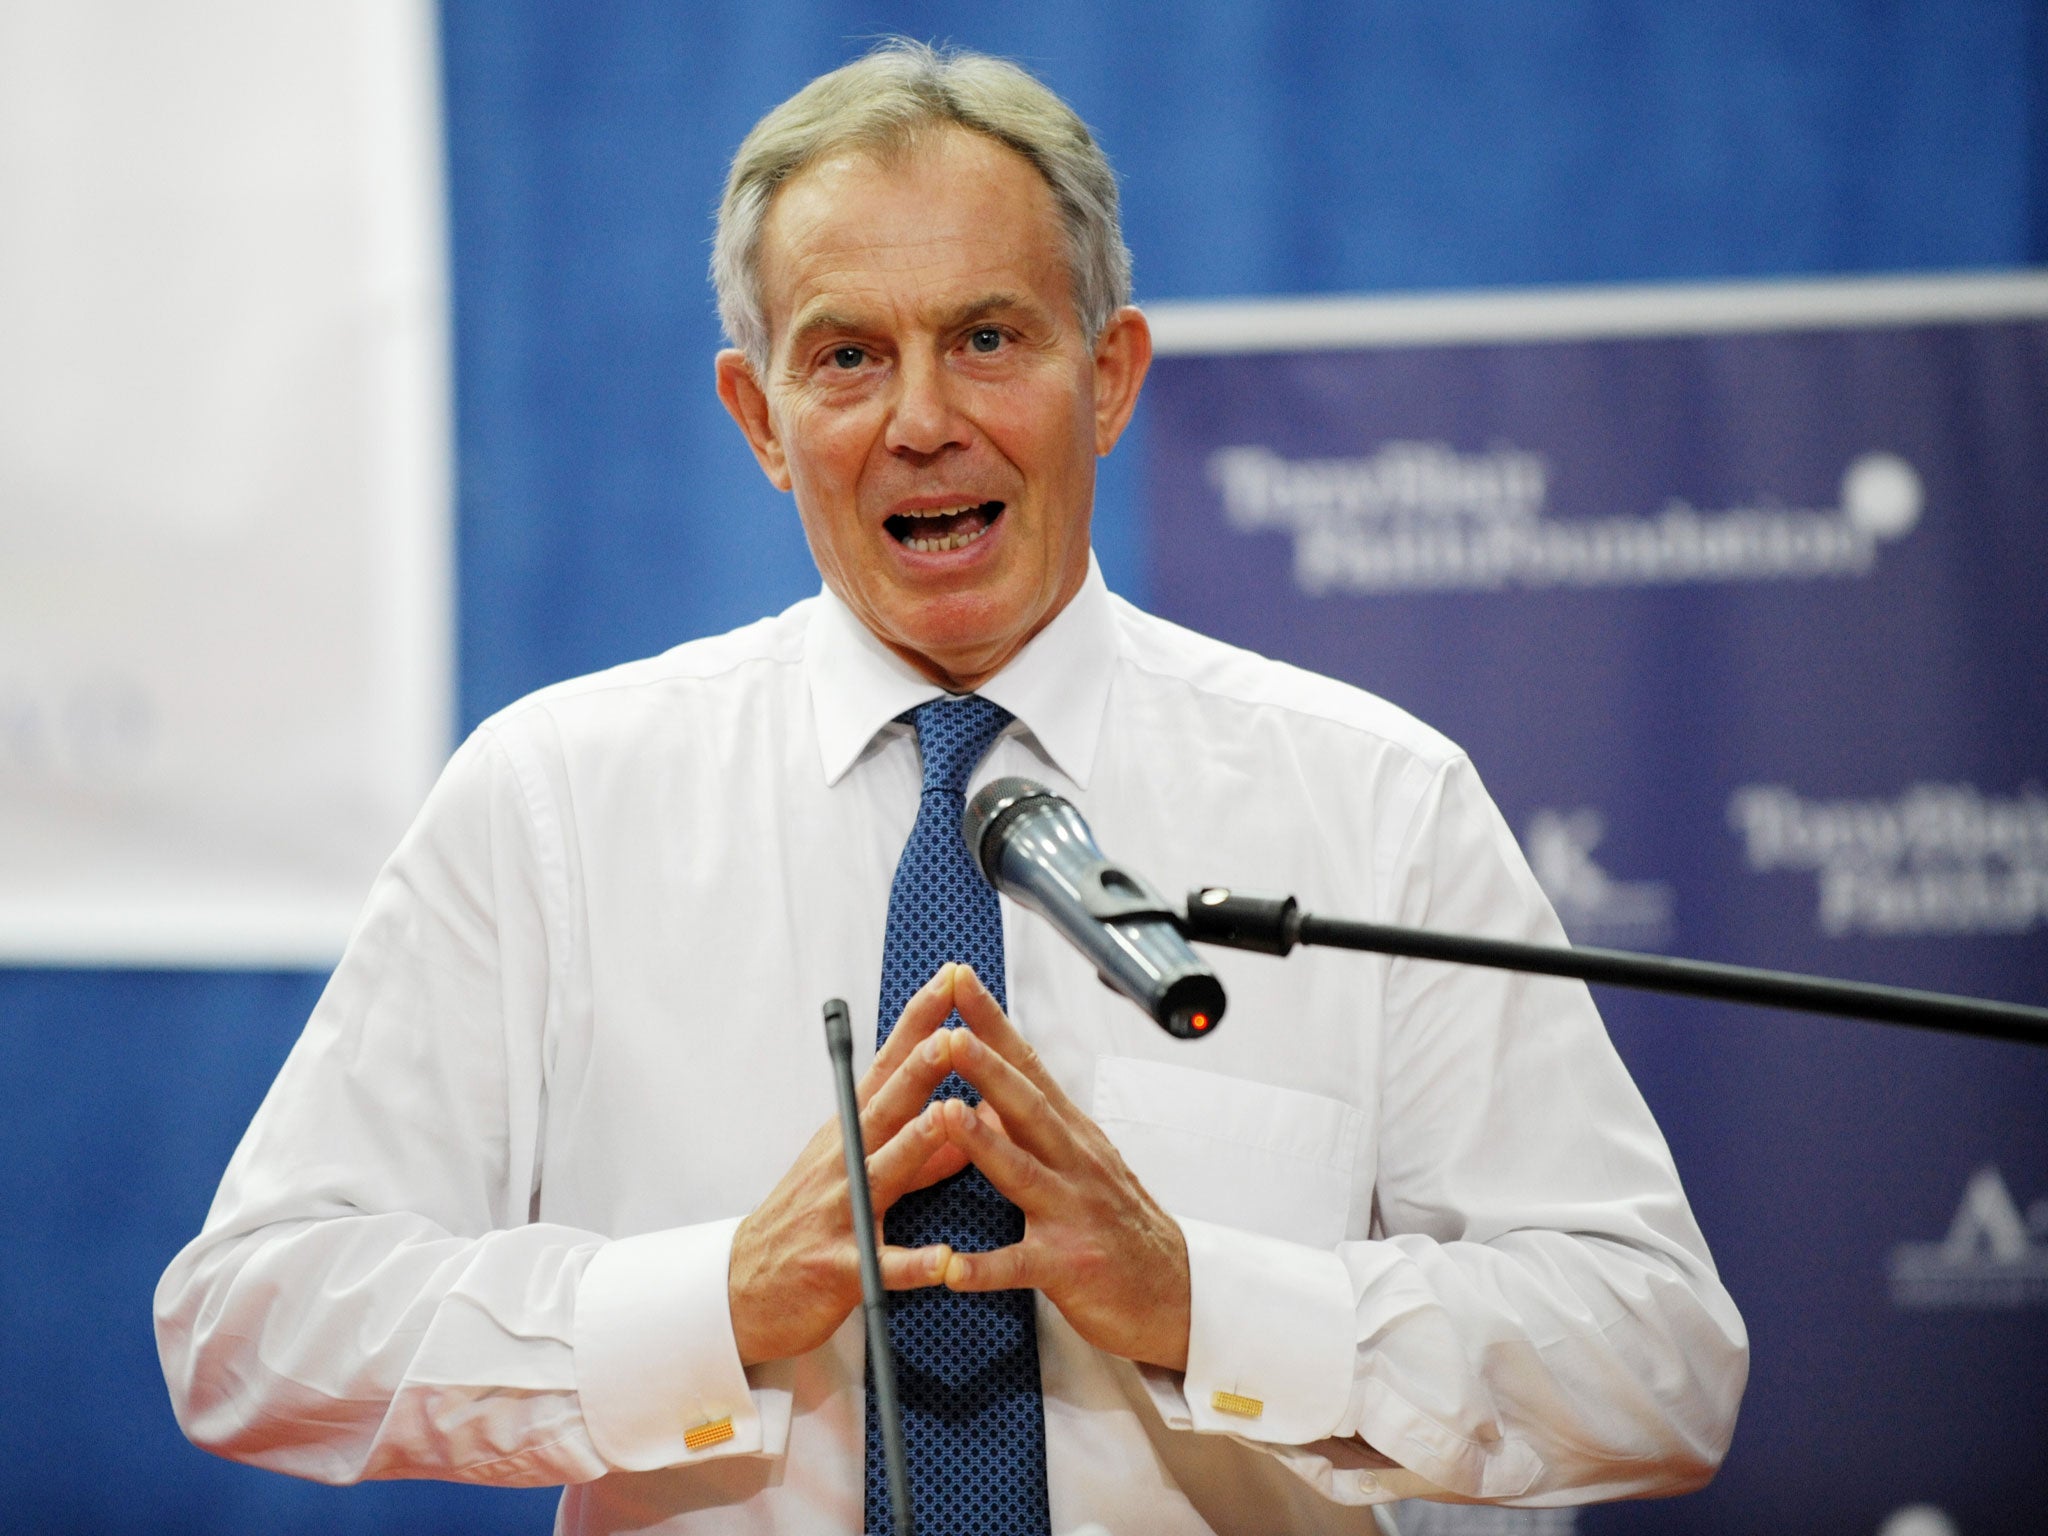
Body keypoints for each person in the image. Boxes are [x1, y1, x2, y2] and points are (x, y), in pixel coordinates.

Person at [155, 40, 1747, 1535]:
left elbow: (1660, 1361)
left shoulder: (1373, 800)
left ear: (1109, 377)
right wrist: (714, 1303)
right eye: (848, 356)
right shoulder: (555, 803)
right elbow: (249, 1325)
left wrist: (1206, 1299)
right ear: (761, 418)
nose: (924, 421)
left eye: (989, 339)